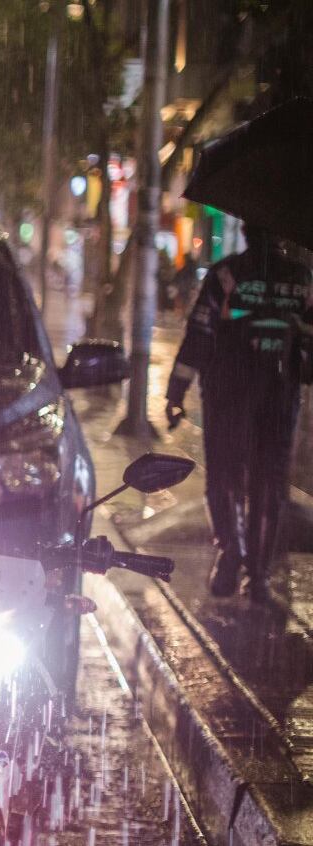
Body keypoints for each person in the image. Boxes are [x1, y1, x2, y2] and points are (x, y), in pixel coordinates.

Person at [166, 225, 313, 602]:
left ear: (246, 230)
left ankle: (231, 551)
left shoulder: (226, 275)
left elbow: (199, 334)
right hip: (280, 396)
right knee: (269, 482)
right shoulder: (302, 279)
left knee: (225, 475)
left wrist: (176, 392)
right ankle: (259, 575)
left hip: (227, 393)